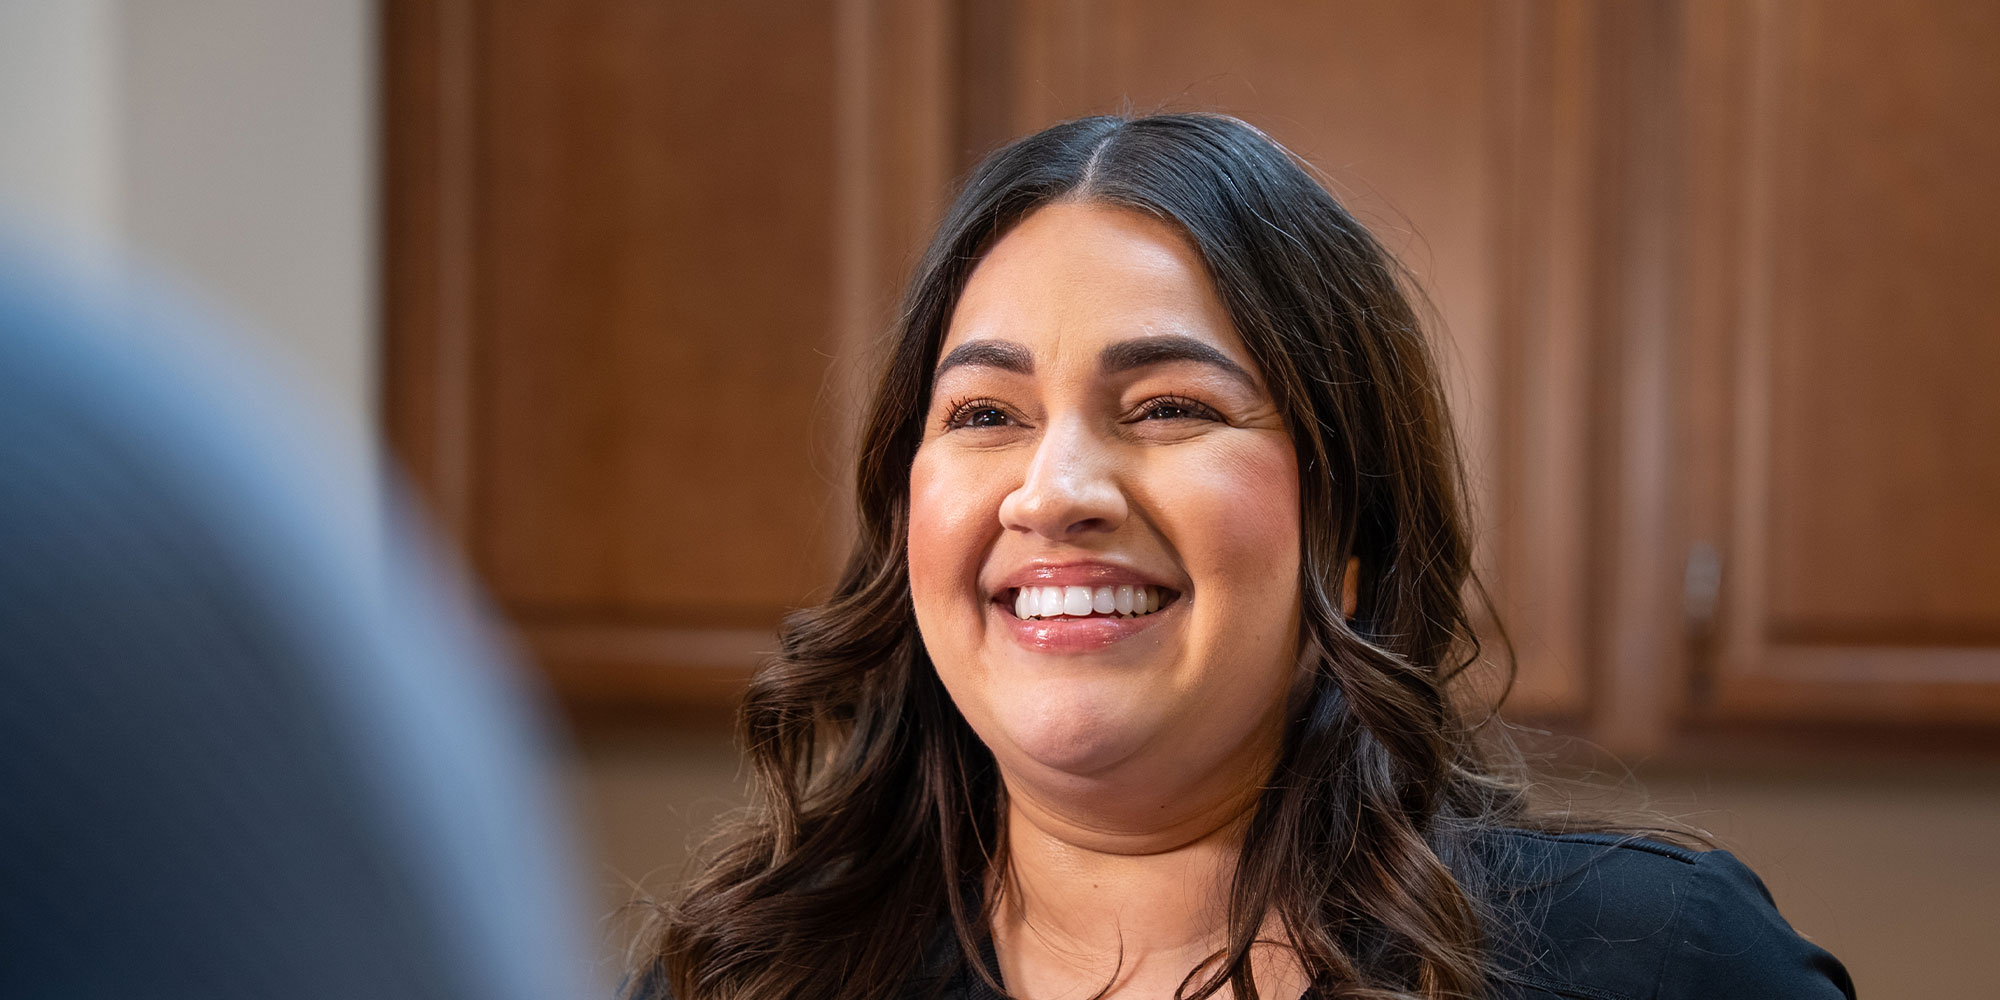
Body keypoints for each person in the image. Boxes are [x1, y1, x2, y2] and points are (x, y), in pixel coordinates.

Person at [631, 114, 1854, 1000]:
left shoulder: (1654, 962)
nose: (1053, 493)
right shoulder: (740, 977)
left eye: (1168, 407)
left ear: (1348, 518)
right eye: (984, 415)